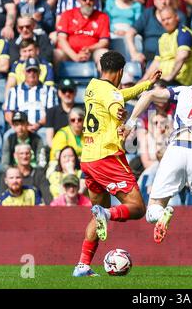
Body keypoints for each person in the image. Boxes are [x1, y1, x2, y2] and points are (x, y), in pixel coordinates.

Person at [120, 66, 192, 277]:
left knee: (152, 210)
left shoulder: (188, 90)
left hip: (177, 148)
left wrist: (130, 123)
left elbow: (150, 94)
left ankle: (163, 213)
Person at [71, 50, 161, 277]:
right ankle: (107, 214)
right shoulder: (111, 94)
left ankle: (82, 265)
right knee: (138, 208)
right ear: (120, 71)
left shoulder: (92, 86)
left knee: (98, 213)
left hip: (89, 159)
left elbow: (120, 95)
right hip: (108, 157)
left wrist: (146, 84)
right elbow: (116, 105)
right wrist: (120, 118)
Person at [125, 0, 187, 64]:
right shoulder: (147, 14)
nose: (163, 2)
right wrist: (134, 53)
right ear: (154, 1)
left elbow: (184, 40)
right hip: (148, 59)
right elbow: (130, 33)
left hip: (170, 59)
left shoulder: (179, 16)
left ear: (171, 0)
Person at [140, 6, 192, 86]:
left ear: (176, 17)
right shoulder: (163, 37)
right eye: (163, 20)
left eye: (168, 18)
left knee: (150, 95)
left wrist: (169, 78)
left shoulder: (184, 33)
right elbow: (156, 62)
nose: (166, 22)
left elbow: (182, 57)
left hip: (179, 82)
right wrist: (142, 81)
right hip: (162, 81)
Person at [54, 0, 110, 70]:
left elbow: (104, 42)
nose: (88, 1)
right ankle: (54, 81)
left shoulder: (103, 17)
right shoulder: (67, 14)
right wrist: (74, 56)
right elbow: (61, 39)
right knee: (56, 54)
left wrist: (89, 49)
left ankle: (103, 82)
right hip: (69, 53)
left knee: (104, 54)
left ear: (95, 0)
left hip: (92, 52)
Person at [4, 57, 58, 133]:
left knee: (47, 134)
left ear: (40, 72)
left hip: (42, 128)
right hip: (20, 128)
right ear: (24, 72)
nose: (32, 74)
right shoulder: (14, 91)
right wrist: (19, 126)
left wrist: (38, 124)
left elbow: (52, 113)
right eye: (29, 71)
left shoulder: (50, 91)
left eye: (34, 71)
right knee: (8, 135)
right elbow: (8, 113)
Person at [45, 78, 78, 147]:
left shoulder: (83, 111)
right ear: (59, 93)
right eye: (64, 91)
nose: (67, 94)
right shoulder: (51, 112)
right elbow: (49, 139)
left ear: (75, 92)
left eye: (70, 91)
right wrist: (59, 153)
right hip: (58, 151)